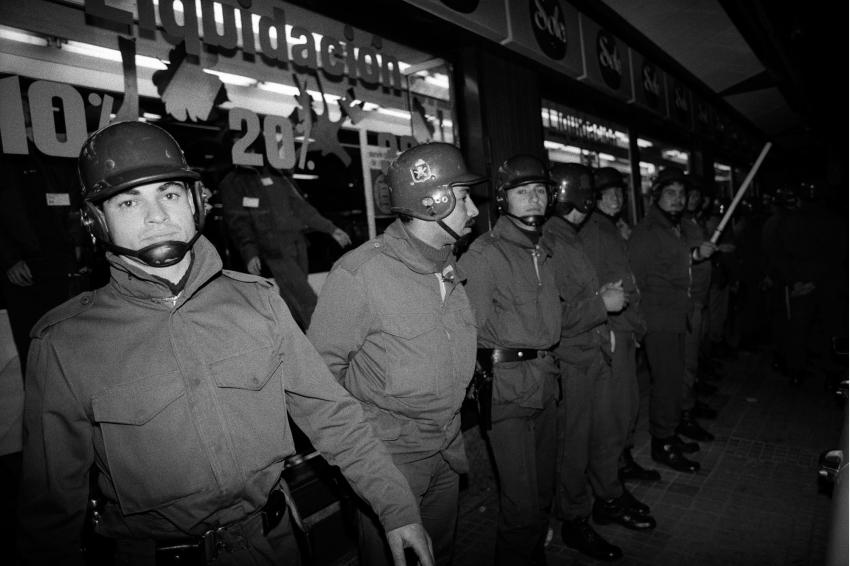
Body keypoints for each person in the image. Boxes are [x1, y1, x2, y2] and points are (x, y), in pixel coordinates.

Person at [16, 121, 433, 566]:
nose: (156, 216)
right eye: (129, 202)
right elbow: (51, 511)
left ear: (195, 203)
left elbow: (334, 416)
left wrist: (396, 508)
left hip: (276, 545)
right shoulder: (65, 343)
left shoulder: (258, 302)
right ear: (96, 220)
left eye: (169, 194)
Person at [307, 142, 482, 566]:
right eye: (463, 198)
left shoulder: (446, 264)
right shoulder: (360, 274)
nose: (474, 209)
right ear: (433, 202)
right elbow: (317, 385)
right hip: (391, 464)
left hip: (446, 451)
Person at [544, 164, 655, 563]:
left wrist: (600, 300)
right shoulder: (554, 238)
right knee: (575, 446)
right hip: (576, 356)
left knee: (599, 432)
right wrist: (601, 305)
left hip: (591, 348)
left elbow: (577, 295)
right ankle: (577, 518)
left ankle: (602, 499)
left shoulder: (570, 234)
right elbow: (552, 314)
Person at [458, 154, 561, 566]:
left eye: (540, 190)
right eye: (522, 192)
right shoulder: (484, 255)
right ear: (503, 199)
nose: (534, 198)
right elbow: (464, 330)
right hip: (506, 390)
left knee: (543, 493)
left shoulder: (542, 249)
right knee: (521, 505)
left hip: (546, 382)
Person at [628, 167, 717, 473]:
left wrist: (694, 257)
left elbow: (672, 264)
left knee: (674, 380)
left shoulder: (672, 227)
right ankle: (662, 442)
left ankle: (670, 432)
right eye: (670, 193)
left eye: (681, 193)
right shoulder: (648, 231)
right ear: (657, 196)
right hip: (658, 320)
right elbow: (636, 279)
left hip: (677, 316)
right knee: (666, 383)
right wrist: (637, 326)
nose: (678, 199)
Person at [581, 167, 658, 483]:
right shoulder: (595, 231)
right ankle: (612, 471)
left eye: (619, 192)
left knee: (627, 401)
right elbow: (598, 285)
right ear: (594, 197)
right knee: (617, 405)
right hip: (613, 326)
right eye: (607, 192)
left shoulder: (610, 228)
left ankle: (621, 460)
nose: (616, 197)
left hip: (624, 324)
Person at [219, 163, 351, 329]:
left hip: (297, 243)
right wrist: (250, 251)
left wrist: (331, 229)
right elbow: (239, 222)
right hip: (275, 249)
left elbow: (301, 208)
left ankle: (292, 338)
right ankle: (329, 335)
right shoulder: (234, 181)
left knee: (291, 298)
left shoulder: (275, 174)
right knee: (305, 297)